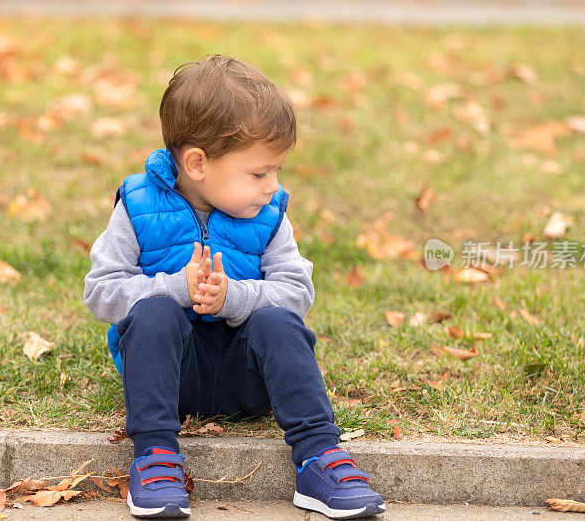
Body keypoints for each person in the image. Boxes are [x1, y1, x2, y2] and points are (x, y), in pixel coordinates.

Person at [83, 54, 385, 519]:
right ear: (198, 164)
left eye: (277, 170)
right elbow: (101, 291)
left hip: (249, 378)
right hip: (172, 378)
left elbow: (296, 291)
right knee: (154, 313)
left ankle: (318, 457)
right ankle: (155, 457)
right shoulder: (138, 206)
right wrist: (175, 289)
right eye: (259, 173)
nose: (273, 186)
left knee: (277, 322)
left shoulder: (269, 216)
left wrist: (235, 298)